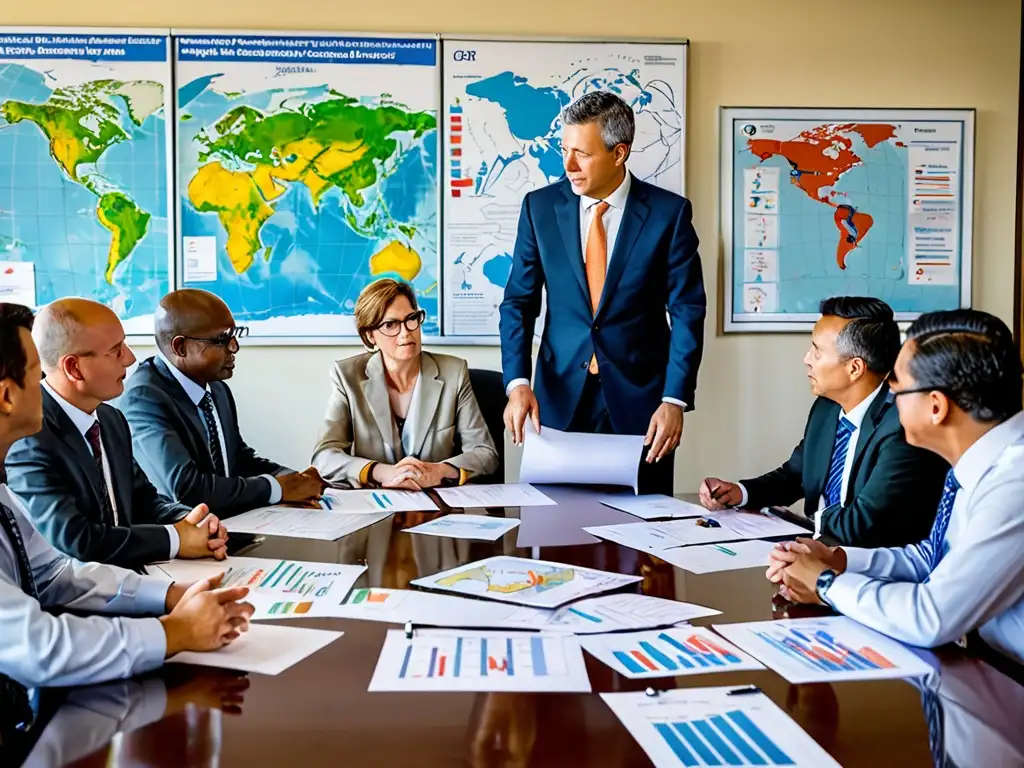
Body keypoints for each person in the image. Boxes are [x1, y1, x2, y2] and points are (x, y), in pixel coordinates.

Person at [0, 303, 253, 759]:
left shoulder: (4, 494)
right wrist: (175, 633)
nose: (133, 360)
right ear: (6, 396)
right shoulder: (29, 448)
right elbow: (38, 646)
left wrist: (171, 594)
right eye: (37, 372)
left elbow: (56, 575)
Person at [768, 309, 1024, 670]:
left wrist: (825, 585)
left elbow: (932, 615)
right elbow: (931, 559)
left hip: (1007, 676)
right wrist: (838, 560)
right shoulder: (981, 462)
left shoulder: (1014, 484)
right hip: (980, 666)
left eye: (896, 386)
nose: (888, 395)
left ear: (936, 406)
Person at [499, 90, 705, 495]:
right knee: (556, 536)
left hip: (643, 405)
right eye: (564, 150)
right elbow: (518, 303)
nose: (569, 165)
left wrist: (674, 400)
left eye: (583, 154)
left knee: (644, 542)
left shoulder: (669, 213)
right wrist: (518, 382)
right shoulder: (539, 208)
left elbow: (687, 310)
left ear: (619, 153)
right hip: (557, 401)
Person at [700, 297, 947, 547]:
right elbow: (794, 475)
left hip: (872, 565)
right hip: (820, 548)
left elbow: (864, 522)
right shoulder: (827, 407)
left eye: (817, 350)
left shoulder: (903, 424)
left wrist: (796, 522)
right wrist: (740, 493)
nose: (807, 359)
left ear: (855, 368)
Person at [6, 299, 228, 571]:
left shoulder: (111, 419)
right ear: (74, 368)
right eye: (116, 351)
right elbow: (76, 540)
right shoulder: (28, 436)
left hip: (132, 579)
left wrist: (191, 521)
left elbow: (143, 499)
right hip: (78, 598)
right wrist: (175, 539)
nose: (130, 358)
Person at [119, 289, 325, 518]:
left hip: (232, 523)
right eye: (221, 340)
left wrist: (295, 479)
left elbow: (238, 459)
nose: (234, 348)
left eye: (235, 336)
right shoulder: (144, 398)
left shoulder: (216, 388)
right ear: (180, 347)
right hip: (180, 534)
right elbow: (186, 489)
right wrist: (277, 488)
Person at [311, 279, 498, 488]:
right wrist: (381, 472)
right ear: (370, 335)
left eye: (411, 319)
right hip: (376, 505)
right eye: (390, 325)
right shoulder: (348, 377)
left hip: (437, 505)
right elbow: (324, 456)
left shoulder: (453, 372)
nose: (405, 332)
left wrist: (439, 471)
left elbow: (486, 454)